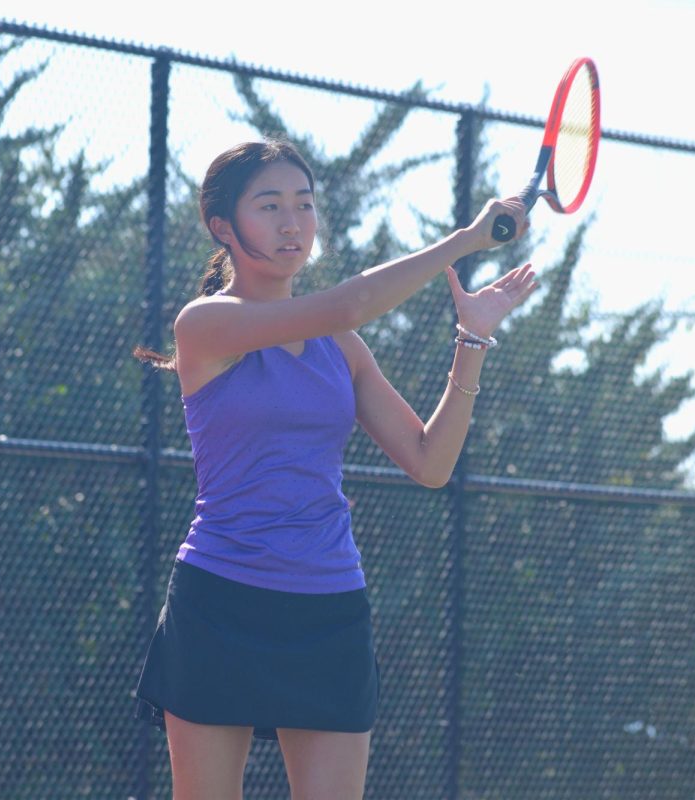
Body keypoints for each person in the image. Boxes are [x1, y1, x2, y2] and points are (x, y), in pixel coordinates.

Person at [133, 137, 535, 800]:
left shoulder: (340, 348)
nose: (293, 223)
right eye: (270, 206)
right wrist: (465, 239)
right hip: (220, 601)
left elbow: (430, 462)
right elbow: (347, 303)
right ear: (223, 228)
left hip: (329, 609)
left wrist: (473, 337)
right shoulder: (204, 324)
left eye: (304, 204)